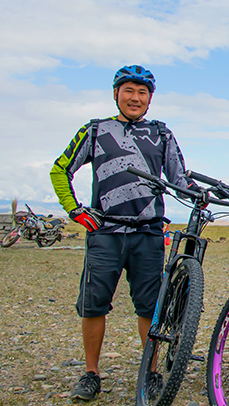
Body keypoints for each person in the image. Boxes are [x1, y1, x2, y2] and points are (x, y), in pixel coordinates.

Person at [50, 65, 198, 402]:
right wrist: (74, 210)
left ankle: (152, 371)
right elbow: (60, 169)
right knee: (93, 305)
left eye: (142, 92)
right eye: (129, 90)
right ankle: (91, 373)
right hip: (106, 232)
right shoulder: (95, 130)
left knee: (150, 308)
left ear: (150, 99)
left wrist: (199, 195)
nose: (135, 97)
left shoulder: (161, 134)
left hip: (148, 233)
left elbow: (178, 179)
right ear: (116, 93)